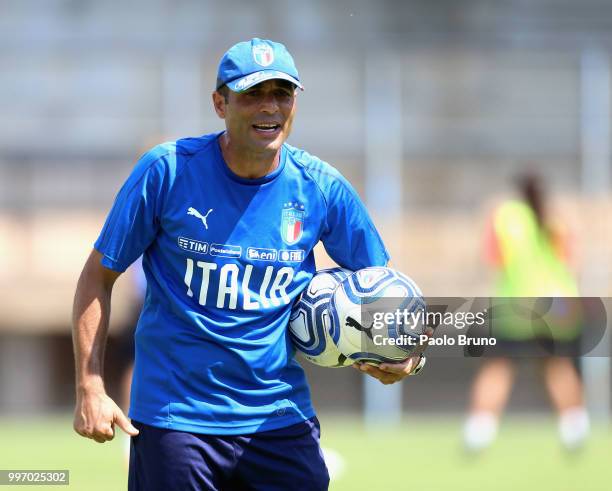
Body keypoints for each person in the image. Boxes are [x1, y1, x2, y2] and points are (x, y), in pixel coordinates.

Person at [72, 38, 424, 491]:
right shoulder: (167, 171)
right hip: (177, 421)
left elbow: (385, 291)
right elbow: (97, 277)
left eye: (282, 94)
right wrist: (90, 386)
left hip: (279, 417)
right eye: (253, 94)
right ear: (220, 103)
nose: (270, 107)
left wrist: (404, 355)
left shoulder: (320, 187)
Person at [463, 173, 589, 452]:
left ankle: (479, 431)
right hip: (559, 308)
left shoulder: (504, 217)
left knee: (498, 366)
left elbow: (492, 261)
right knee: (557, 366)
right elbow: (572, 261)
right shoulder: (557, 217)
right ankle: (574, 428)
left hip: (517, 307)